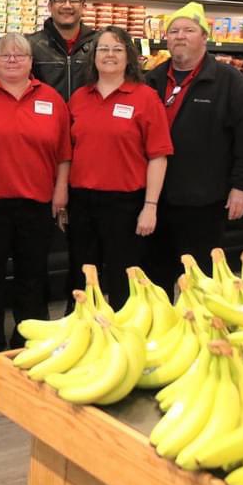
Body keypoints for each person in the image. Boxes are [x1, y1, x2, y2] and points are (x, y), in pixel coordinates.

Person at [0, 33, 71, 367]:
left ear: (31, 62)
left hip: (37, 202)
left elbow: (64, 153)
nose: (12, 61)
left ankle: (28, 339)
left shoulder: (51, 99)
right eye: (5, 55)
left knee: (32, 276)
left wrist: (61, 190)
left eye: (20, 55)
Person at [144, 2, 243, 292]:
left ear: (204, 37)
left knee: (199, 280)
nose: (179, 36)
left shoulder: (228, 80)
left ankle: (200, 331)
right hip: (156, 199)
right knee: (154, 276)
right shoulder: (153, 79)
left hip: (204, 202)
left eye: (188, 30)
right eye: (173, 31)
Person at [66, 26, 173, 310]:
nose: (110, 55)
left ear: (129, 57)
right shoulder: (79, 98)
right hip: (82, 201)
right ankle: (80, 335)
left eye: (117, 49)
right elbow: (67, 152)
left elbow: (158, 157)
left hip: (125, 204)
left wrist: (150, 206)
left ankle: (121, 342)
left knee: (122, 279)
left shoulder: (146, 98)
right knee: (81, 276)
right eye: (103, 49)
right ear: (93, 57)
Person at [28, 0, 98, 101]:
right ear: (50, 6)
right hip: (46, 119)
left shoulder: (99, 46)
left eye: (74, 0)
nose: (67, 6)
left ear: (84, 7)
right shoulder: (30, 45)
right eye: (60, 0)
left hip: (86, 120)